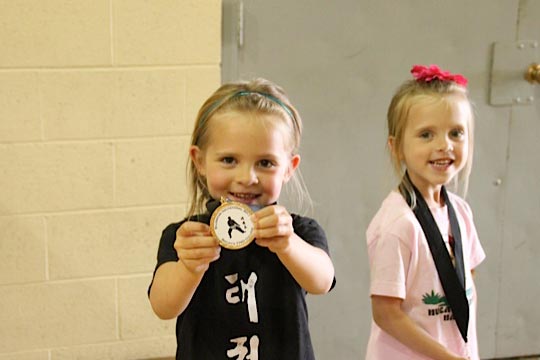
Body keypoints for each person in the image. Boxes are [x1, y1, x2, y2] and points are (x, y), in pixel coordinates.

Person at [148, 78, 335, 359]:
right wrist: (189, 267)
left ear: (288, 168)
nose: (247, 178)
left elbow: (321, 281)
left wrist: (287, 245)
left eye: (265, 163)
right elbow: (163, 306)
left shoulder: (297, 231)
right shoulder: (187, 236)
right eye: (228, 160)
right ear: (200, 161)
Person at [366, 65, 486, 360]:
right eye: (426, 134)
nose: (444, 145)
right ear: (397, 148)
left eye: (456, 133)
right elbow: (386, 314)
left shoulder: (460, 210)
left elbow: (466, 282)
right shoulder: (398, 224)